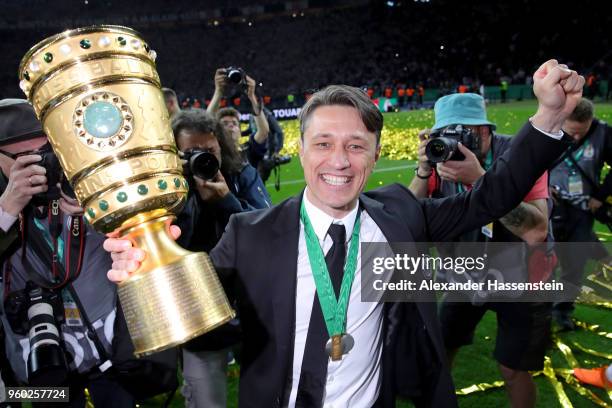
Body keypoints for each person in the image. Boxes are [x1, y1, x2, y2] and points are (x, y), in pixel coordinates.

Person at [105, 60, 584, 407]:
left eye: (356, 146)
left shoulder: (401, 215)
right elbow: (168, 346)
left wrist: (549, 117)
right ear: (303, 149)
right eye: (324, 144)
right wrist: (144, 278)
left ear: (374, 157)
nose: (339, 161)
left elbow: (491, 198)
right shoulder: (248, 232)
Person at [408, 92, 552, 408]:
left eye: (464, 132)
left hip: (523, 278)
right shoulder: (438, 159)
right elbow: (407, 221)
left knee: (513, 369)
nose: (454, 142)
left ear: (485, 130)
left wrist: (481, 181)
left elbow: (536, 230)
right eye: (445, 133)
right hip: (465, 272)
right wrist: (422, 171)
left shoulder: (521, 155)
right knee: (440, 350)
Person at [0, 99, 135, 407]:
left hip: (107, 351)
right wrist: (7, 209)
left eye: (45, 153)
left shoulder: (75, 178)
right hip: (36, 357)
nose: (40, 164)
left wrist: (93, 211)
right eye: (24, 157)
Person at [171, 108, 271, 407]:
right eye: (191, 152)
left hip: (251, 305)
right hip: (199, 313)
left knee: (269, 393)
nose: (202, 158)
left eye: (209, 150)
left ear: (221, 146)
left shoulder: (241, 173)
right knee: (206, 401)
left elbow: (265, 232)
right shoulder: (167, 189)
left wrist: (226, 202)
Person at [549, 97, 612, 330]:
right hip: (549, 208)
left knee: (575, 263)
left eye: (581, 132)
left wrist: (601, 194)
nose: (575, 137)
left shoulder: (603, 133)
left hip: (583, 209)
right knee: (545, 262)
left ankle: (562, 310)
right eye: (572, 132)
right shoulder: (547, 128)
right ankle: (539, 311)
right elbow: (530, 163)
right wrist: (542, 186)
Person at [207, 68, 270, 168]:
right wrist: (218, 91)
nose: (231, 125)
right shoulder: (214, 153)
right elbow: (206, 124)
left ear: (240, 131)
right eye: (225, 123)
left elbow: (263, 132)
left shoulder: (248, 151)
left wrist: (252, 96)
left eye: (234, 123)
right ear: (217, 131)